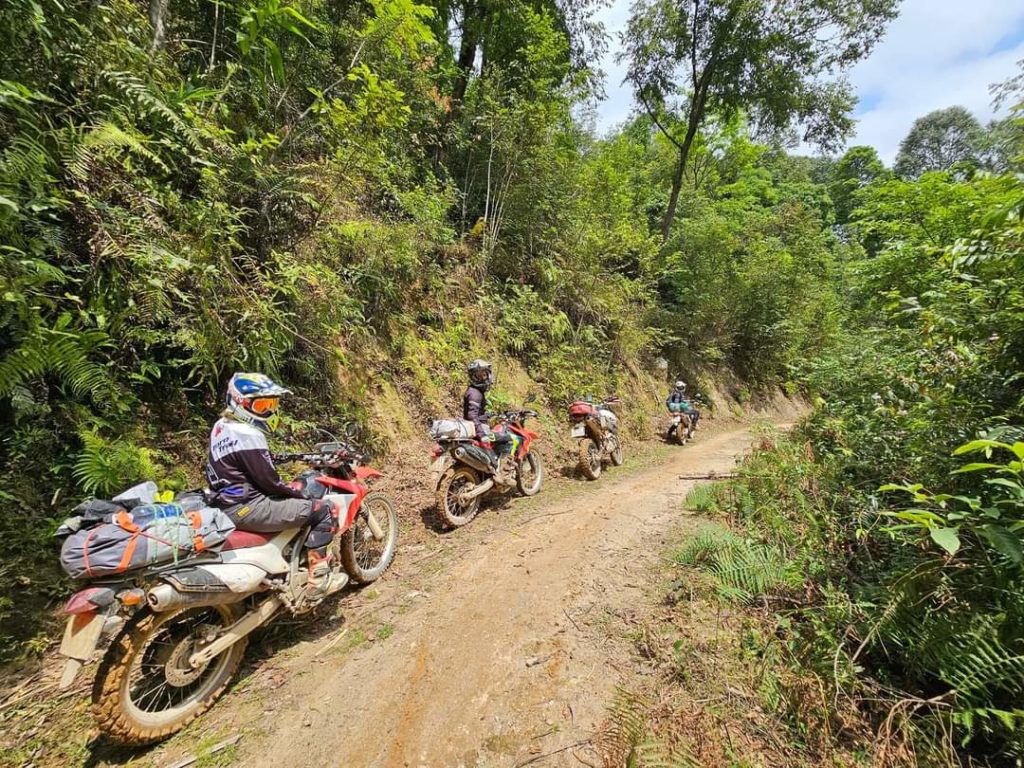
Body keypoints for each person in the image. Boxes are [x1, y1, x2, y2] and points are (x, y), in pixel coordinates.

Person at [205, 373, 343, 592]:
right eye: (262, 404)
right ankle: (319, 579)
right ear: (239, 403)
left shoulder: (221, 427)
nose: (269, 410)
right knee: (324, 510)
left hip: (224, 504)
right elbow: (270, 481)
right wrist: (301, 494)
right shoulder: (248, 433)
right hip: (248, 507)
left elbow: (244, 462)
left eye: (272, 403)